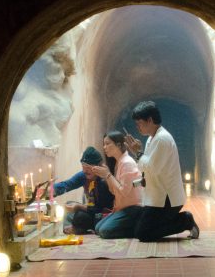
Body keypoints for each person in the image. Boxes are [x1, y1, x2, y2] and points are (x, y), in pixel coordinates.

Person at [124, 100, 200, 241]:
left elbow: (151, 168)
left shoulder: (162, 139)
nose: (138, 127)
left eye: (139, 123)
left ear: (150, 120)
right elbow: (147, 166)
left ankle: (185, 220)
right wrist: (140, 153)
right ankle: (179, 220)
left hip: (167, 198)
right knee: (140, 227)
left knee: (143, 234)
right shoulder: (152, 138)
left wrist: (138, 153)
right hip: (156, 195)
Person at [89, 131, 143, 238]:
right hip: (122, 208)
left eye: (108, 144)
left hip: (133, 209)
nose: (104, 147)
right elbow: (113, 191)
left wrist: (108, 175)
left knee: (105, 231)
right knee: (98, 228)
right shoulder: (119, 162)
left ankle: (137, 229)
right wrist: (106, 176)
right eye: (104, 144)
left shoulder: (127, 163)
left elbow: (123, 191)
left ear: (118, 145)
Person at [51, 146, 115, 234]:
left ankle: (76, 228)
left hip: (103, 215)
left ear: (98, 166)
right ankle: (73, 228)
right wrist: (49, 190)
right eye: (83, 167)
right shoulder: (84, 176)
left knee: (80, 216)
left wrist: (79, 206)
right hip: (91, 210)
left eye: (88, 167)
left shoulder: (104, 181)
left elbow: (97, 209)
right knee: (68, 205)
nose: (85, 171)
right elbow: (67, 184)